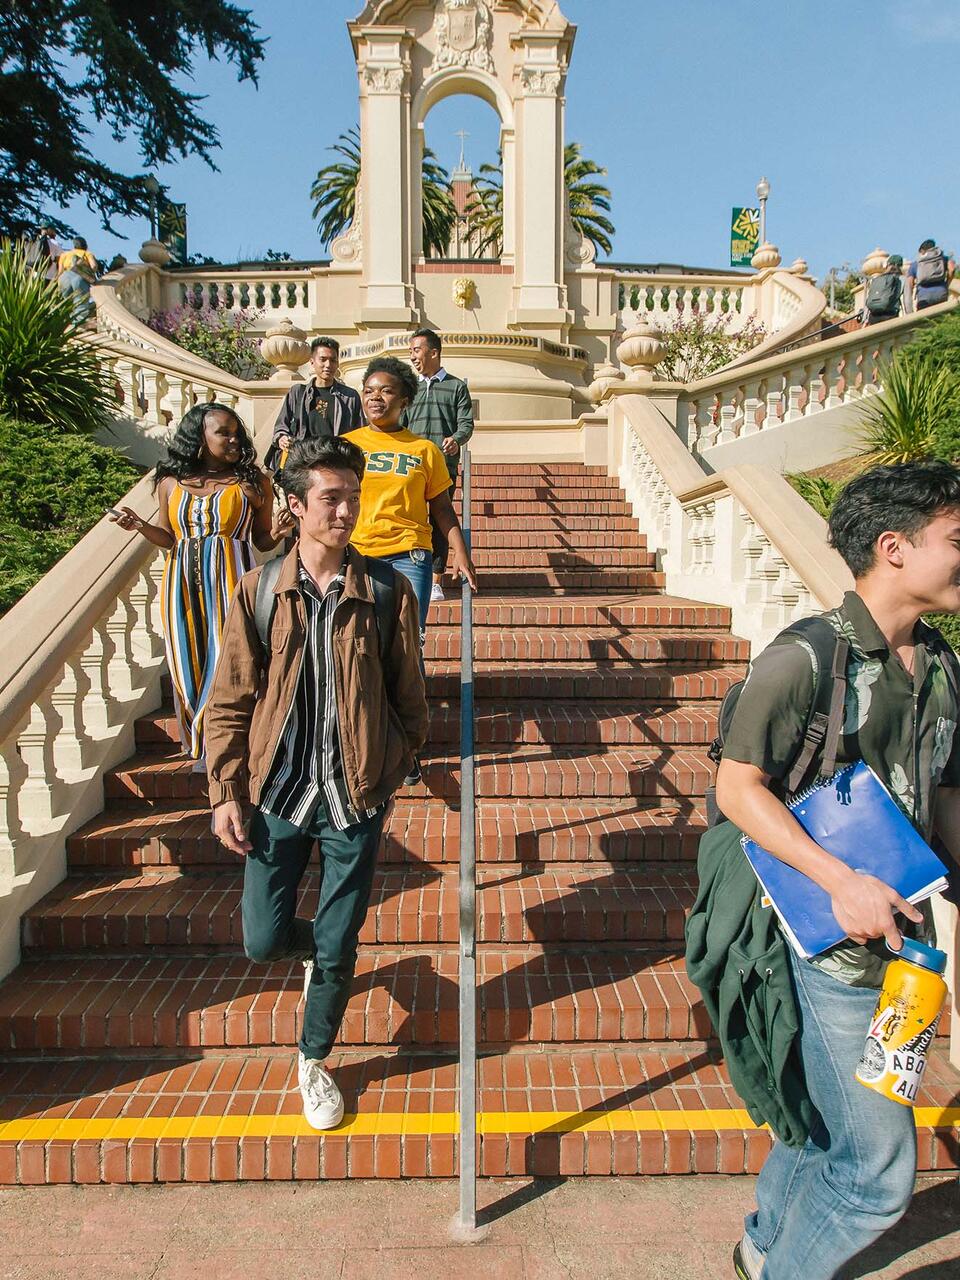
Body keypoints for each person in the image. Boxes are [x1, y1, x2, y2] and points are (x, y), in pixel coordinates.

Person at [715, 460, 960, 1280]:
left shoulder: (941, 661)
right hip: (828, 943)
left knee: (832, 1127)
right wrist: (839, 880)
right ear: (894, 548)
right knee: (877, 1176)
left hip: (906, 945)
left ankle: (763, 1250)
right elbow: (736, 788)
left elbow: (944, 794)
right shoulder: (805, 658)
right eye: (957, 539)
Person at [204, 435, 428, 1130]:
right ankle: (327, 954)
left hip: (354, 798)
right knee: (263, 940)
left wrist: (391, 767)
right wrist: (224, 792)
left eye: (353, 498)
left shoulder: (385, 590)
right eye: (331, 499)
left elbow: (410, 697)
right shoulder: (260, 590)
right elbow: (230, 698)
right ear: (296, 506)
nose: (346, 511)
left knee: (337, 938)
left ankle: (313, 1058)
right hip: (280, 793)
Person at [109, 403, 291, 766]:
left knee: (232, 659)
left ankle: (229, 743)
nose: (233, 439)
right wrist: (139, 527)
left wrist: (279, 531)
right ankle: (201, 743)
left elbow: (261, 541)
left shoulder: (253, 482)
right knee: (186, 663)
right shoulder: (169, 483)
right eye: (223, 432)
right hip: (181, 587)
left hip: (234, 581)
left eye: (236, 432)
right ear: (199, 437)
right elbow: (168, 536)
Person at [346, 355, 478, 638]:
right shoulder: (347, 446)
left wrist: (460, 552)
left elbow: (442, 508)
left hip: (410, 555)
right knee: (358, 640)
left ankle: (412, 685)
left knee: (407, 641)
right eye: (368, 391)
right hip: (357, 553)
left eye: (386, 390)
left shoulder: (424, 450)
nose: (375, 397)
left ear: (405, 401)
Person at [406, 328, 475, 603]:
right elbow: (400, 425)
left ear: (434, 352)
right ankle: (412, 575)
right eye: (411, 351)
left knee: (439, 522)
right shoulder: (409, 390)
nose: (412, 357)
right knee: (412, 519)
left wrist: (457, 440)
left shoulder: (457, 387)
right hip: (410, 467)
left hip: (442, 468)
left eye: (416, 350)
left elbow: (466, 424)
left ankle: (435, 581)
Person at [265, 336, 362, 471]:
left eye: (333, 360)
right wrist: (282, 438)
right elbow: (281, 426)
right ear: (312, 362)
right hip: (303, 463)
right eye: (323, 359)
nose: (328, 365)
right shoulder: (297, 393)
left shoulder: (350, 397)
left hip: (336, 463)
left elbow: (360, 433)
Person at [907, 239, 955, 311]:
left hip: (923, 297)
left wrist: (910, 297)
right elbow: (952, 269)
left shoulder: (916, 264)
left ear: (922, 251)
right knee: (940, 319)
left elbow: (909, 283)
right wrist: (947, 283)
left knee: (925, 320)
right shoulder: (943, 259)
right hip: (941, 293)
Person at [56, 236, 99, 316]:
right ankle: (80, 324)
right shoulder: (87, 253)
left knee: (65, 303)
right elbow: (94, 266)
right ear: (85, 245)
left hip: (64, 277)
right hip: (79, 277)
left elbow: (60, 272)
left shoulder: (65, 254)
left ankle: (67, 324)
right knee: (81, 303)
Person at [862, 254, 903, 326]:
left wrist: (865, 320)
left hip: (873, 317)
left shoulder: (875, 279)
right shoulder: (900, 280)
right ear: (900, 266)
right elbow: (905, 300)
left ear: (887, 265)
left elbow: (868, 299)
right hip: (890, 316)